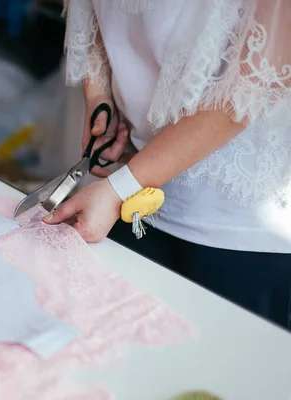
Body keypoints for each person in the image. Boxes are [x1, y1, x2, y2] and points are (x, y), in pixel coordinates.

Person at [44, 0, 291, 330]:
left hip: (239, 227)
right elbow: (88, 12)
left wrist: (121, 187)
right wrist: (99, 94)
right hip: (138, 198)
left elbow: (254, 84)